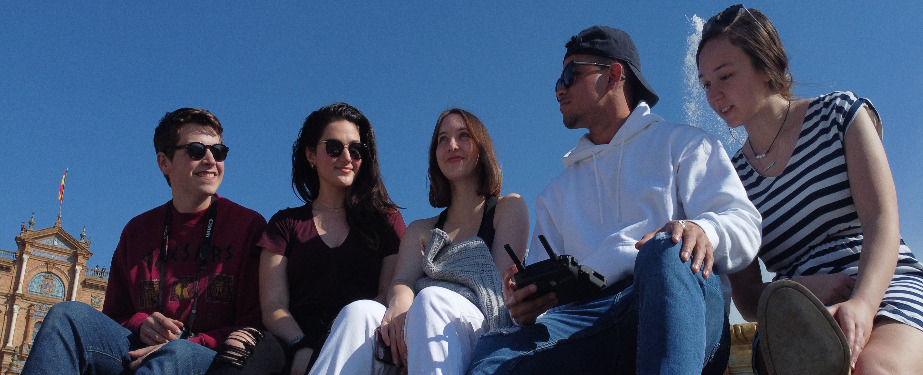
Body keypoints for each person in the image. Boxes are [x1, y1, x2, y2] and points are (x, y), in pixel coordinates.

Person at [466, 25, 762, 374]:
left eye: (570, 74)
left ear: (613, 75)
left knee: (667, 249)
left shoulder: (685, 144)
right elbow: (544, 302)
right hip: (588, 323)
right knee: (492, 350)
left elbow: (743, 223)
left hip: (673, 303)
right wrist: (527, 304)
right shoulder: (555, 194)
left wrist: (703, 229)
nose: (559, 89)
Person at [696, 5, 923, 375]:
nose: (714, 95)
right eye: (706, 84)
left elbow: (881, 221)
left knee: (873, 370)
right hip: (797, 312)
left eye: (725, 76)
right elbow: (745, 297)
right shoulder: (731, 177)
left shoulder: (840, 114)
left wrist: (862, 304)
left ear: (765, 66)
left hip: (882, 285)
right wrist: (802, 289)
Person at [23, 108, 266, 374]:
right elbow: (114, 316)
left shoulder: (248, 226)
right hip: (139, 351)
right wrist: (141, 323)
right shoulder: (137, 231)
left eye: (219, 152)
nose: (210, 160)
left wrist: (189, 342)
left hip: (208, 358)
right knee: (67, 316)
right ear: (164, 162)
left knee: (177, 353)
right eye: (196, 150)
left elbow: (255, 322)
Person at [309, 108, 530, 375]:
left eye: (463, 136)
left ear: (481, 148)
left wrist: (426, 303)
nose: (452, 145)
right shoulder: (421, 230)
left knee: (430, 298)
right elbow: (402, 281)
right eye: (442, 139)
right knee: (360, 312)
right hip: (423, 322)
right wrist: (401, 306)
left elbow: (500, 289)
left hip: (482, 324)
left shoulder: (507, 208)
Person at [206, 103, 405, 375]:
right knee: (239, 352)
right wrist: (301, 345)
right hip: (293, 338)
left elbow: (386, 294)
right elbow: (274, 306)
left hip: (359, 336)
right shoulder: (285, 224)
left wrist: (331, 339)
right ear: (310, 154)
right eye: (334, 147)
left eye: (356, 150)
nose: (346, 157)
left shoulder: (386, 221)